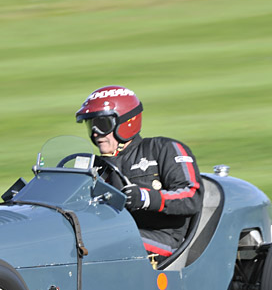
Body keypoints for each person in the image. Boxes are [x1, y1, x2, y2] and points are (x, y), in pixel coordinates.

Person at [76, 86, 203, 262]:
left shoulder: (163, 149)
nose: (96, 132)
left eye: (102, 124)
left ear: (126, 122)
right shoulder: (94, 165)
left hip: (163, 239)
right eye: (91, 125)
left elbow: (192, 196)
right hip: (114, 232)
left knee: (103, 241)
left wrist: (145, 198)